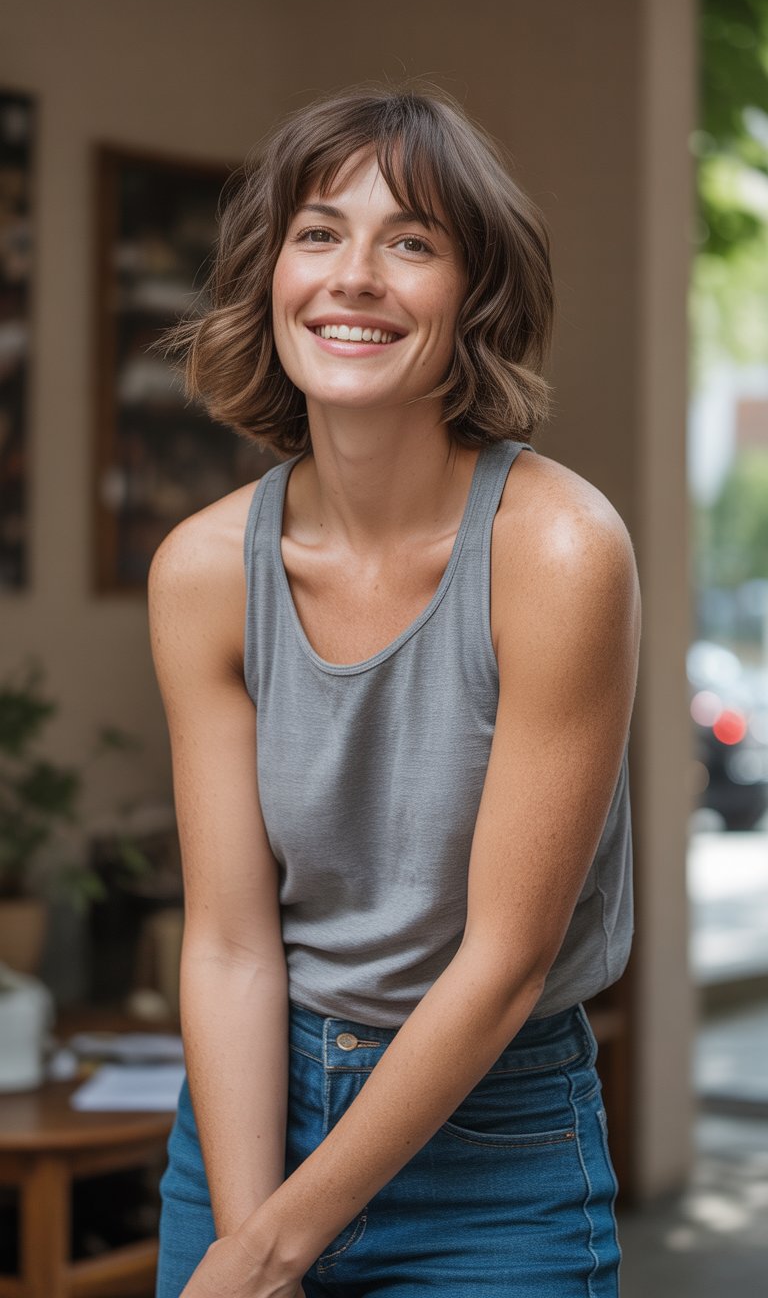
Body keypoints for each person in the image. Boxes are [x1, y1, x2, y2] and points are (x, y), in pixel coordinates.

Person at [149, 83, 641, 1298]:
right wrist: (250, 1221)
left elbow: (506, 958)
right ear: (272, 276)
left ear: (474, 297)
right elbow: (226, 942)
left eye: (409, 242)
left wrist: (262, 1260)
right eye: (319, 234)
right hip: (251, 1117)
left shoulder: (560, 552)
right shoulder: (206, 570)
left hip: (493, 1144)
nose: (353, 276)